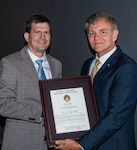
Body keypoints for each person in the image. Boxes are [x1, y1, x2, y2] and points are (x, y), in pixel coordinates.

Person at [55, 12, 137, 150]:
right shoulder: (87, 64)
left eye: (103, 32)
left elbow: (116, 116)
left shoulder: (127, 67)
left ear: (115, 34)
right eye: (91, 33)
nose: (96, 38)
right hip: (89, 141)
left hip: (114, 145)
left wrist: (81, 145)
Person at [0, 14, 62, 150]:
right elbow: (3, 104)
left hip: (51, 142)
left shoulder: (56, 65)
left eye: (46, 33)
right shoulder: (10, 63)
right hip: (20, 141)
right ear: (27, 36)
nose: (43, 37)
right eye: (37, 32)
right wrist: (41, 112)